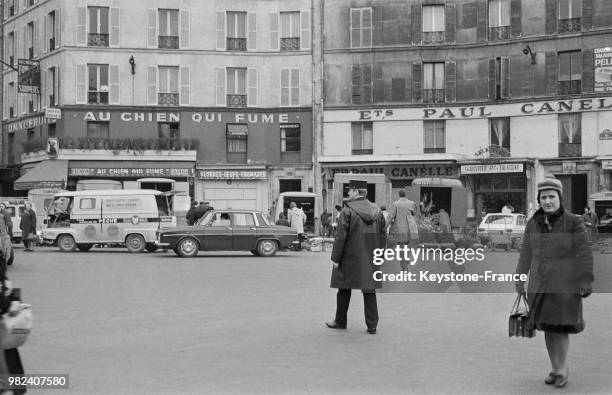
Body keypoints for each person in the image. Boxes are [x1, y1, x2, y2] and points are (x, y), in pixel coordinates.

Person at [515, 176, 593, 388]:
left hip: (566, 283)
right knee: (548, 328)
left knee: (561, 328)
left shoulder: (573, 222)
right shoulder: (533, 223)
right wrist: (520, 278)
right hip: (539, 284)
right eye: (543, 197)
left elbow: (584, 253)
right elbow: (525, 254)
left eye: (551, 197)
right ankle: (555, 367)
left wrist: (585, 280)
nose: (547, 201)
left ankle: (562, 368)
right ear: (539, 200)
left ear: (560, 197)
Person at [326, 180, 386, 335]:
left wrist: (335, 258)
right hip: (370, 256)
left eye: (350, 191)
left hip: (349, 257)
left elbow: (340, 237)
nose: (348, 193)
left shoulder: (347, 211)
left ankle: (340, 321)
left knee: (344, 288)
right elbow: (382, 235)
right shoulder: (377, 211)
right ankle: (372, 325)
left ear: (357, 192)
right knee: (369, 290)